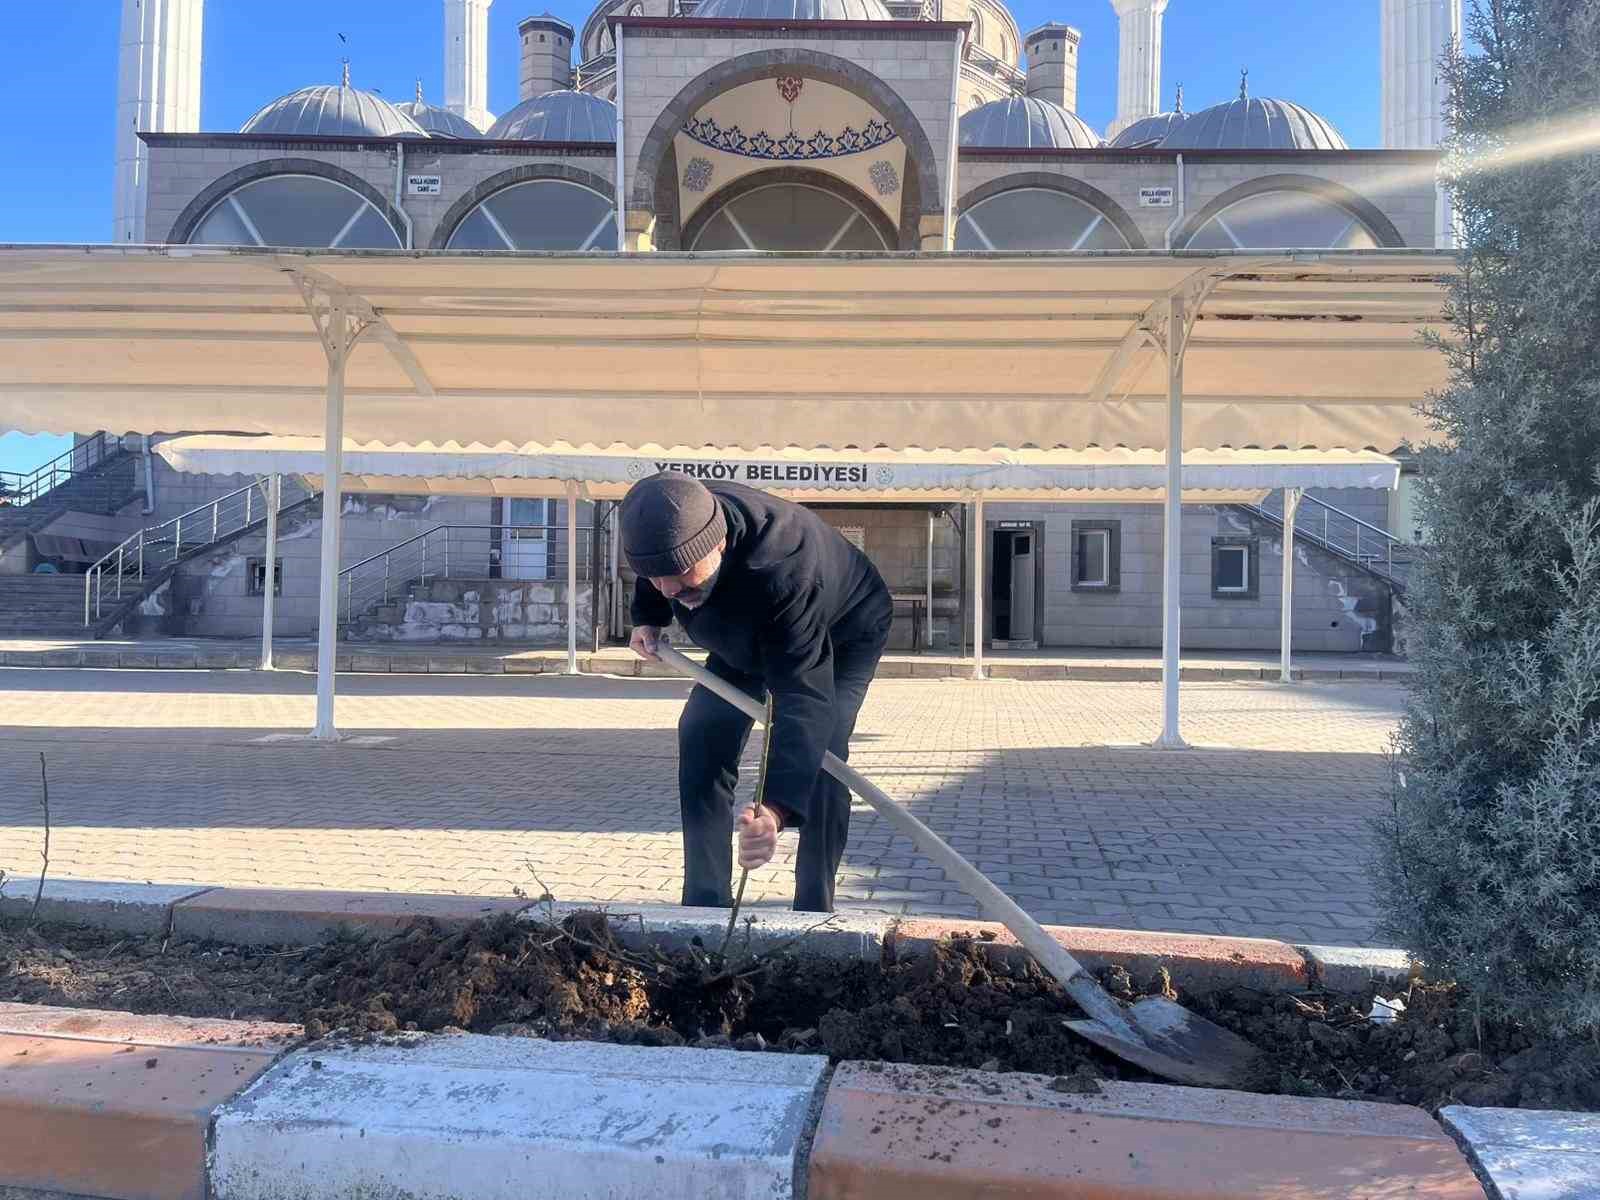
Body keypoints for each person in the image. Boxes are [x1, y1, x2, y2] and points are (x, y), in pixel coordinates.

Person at [621, 472, 893, 913]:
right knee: (702, 733)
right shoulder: (672, 523)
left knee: (824, 756)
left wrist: (775, 810)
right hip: (740, 628)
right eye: (658, 579)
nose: (670, 590)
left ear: (718, 544)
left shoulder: (784, 567)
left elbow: (802, 699)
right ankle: (705, 904)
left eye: (684, 580)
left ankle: (813, 908)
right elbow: (656, 564)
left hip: (844, 629)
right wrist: (647, 616)